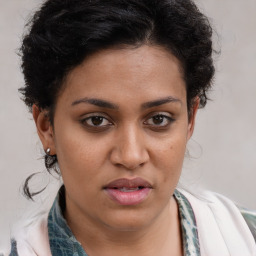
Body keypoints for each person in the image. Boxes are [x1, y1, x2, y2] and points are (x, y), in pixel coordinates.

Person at [3, 0, 256, 255]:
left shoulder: (246, 238)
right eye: (96, 120)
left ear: (190, 120)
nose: (131, 156)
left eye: (158, 119)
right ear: (47, 127)